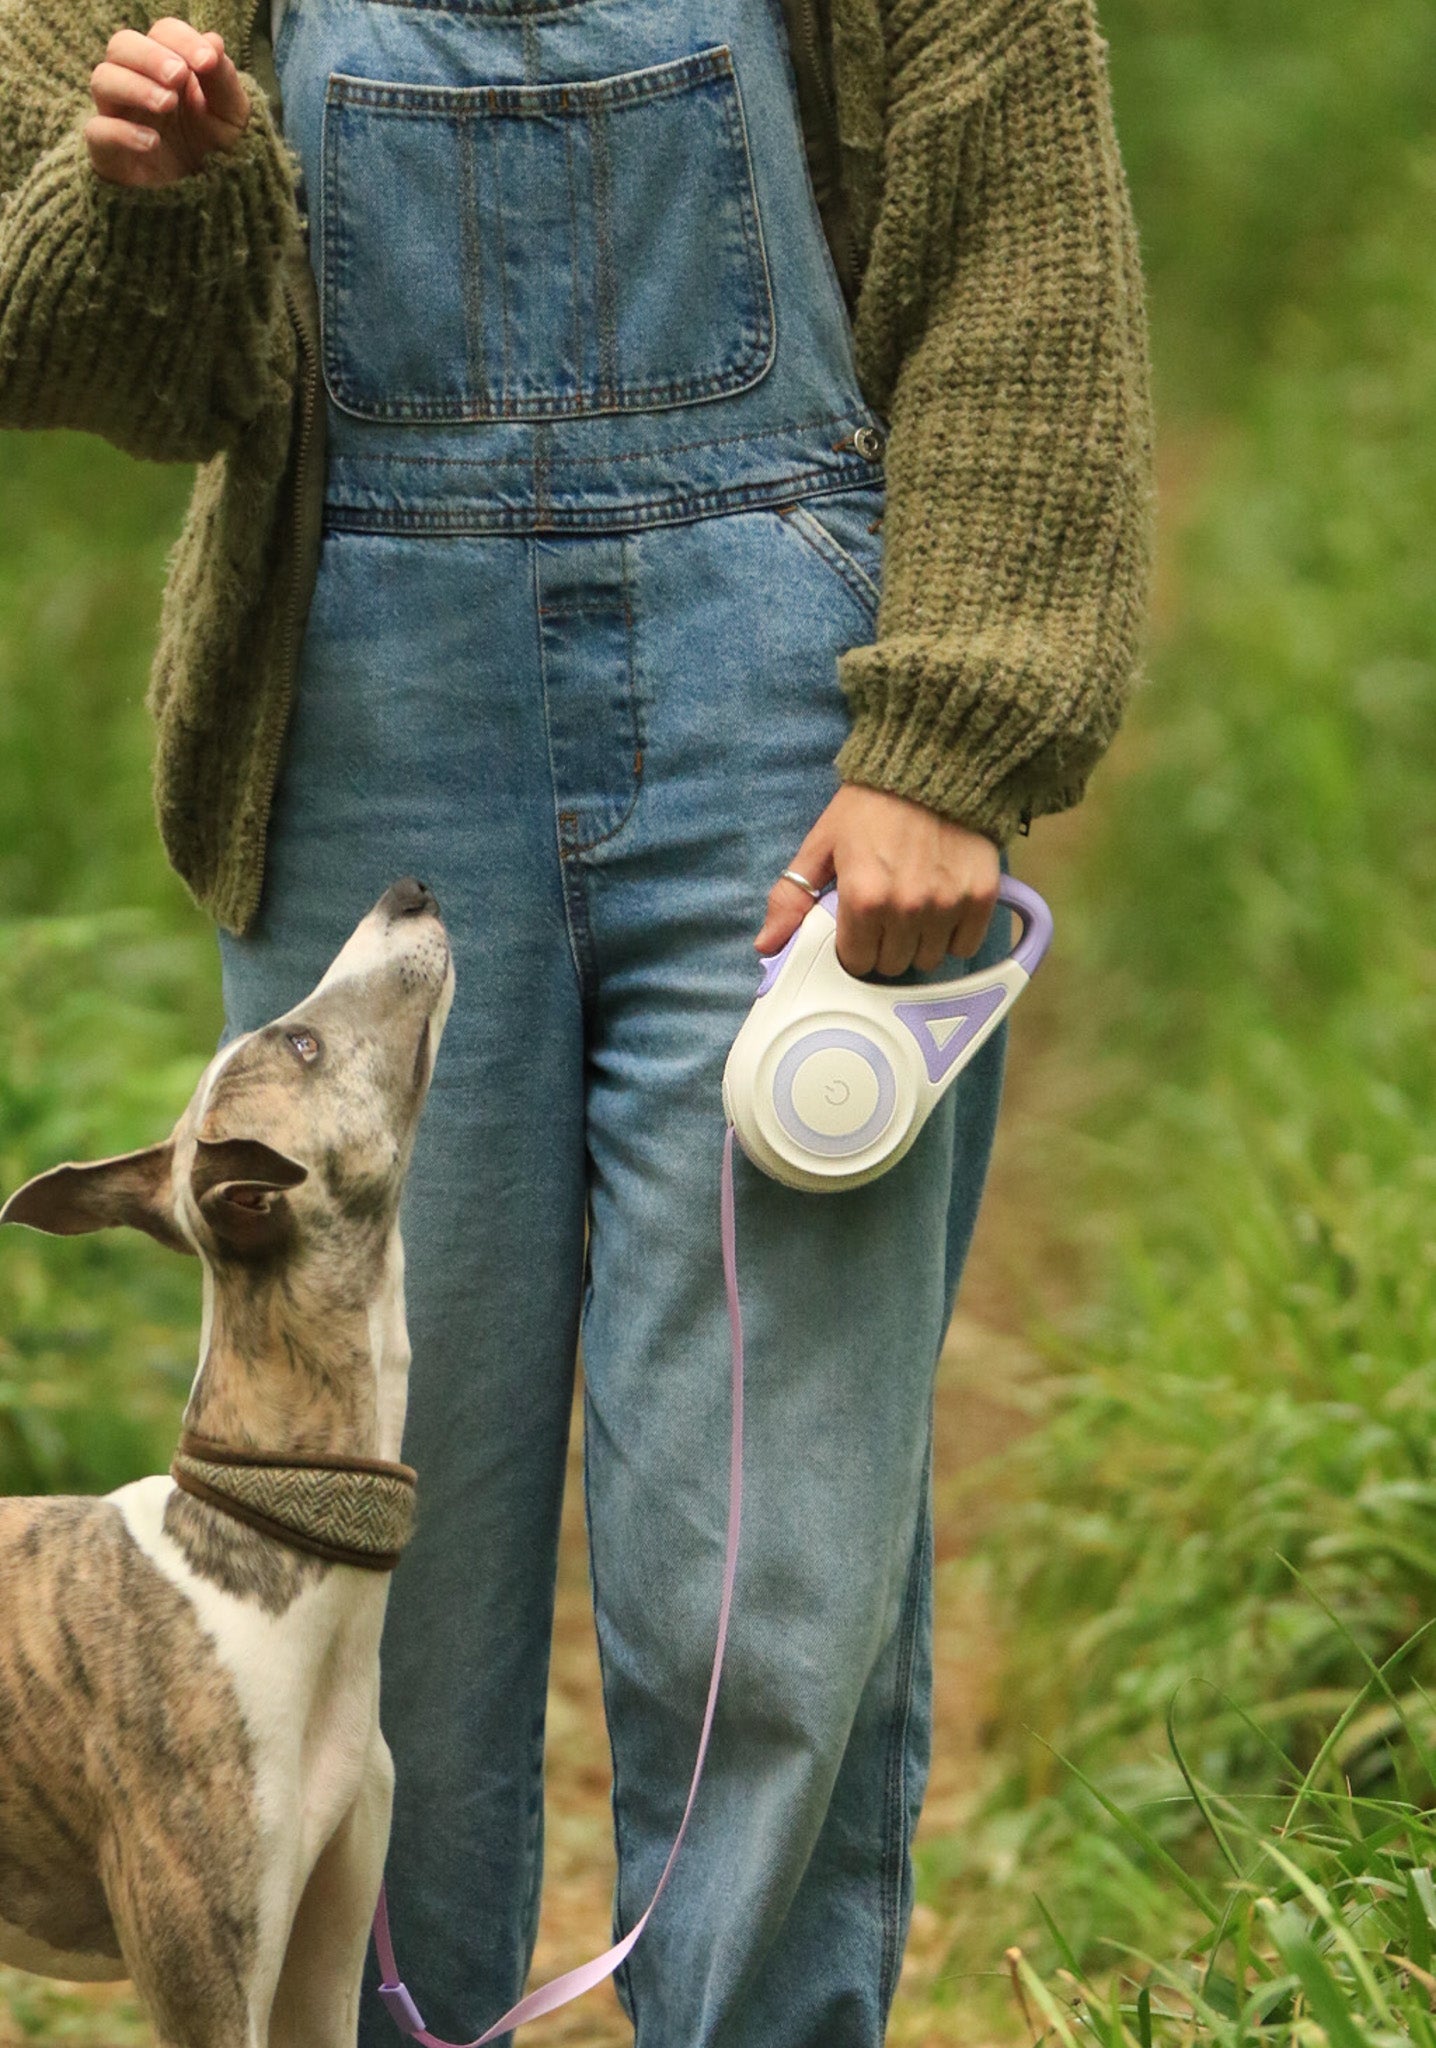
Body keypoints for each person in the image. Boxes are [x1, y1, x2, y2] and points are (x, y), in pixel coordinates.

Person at [0, 3, 1152, 2041]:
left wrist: (951, 731)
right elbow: (60, 331)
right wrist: (158, 201)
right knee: (365, 1579)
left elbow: (1019, 256)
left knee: (767, 1569)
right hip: (363, 718)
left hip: (791, 736)